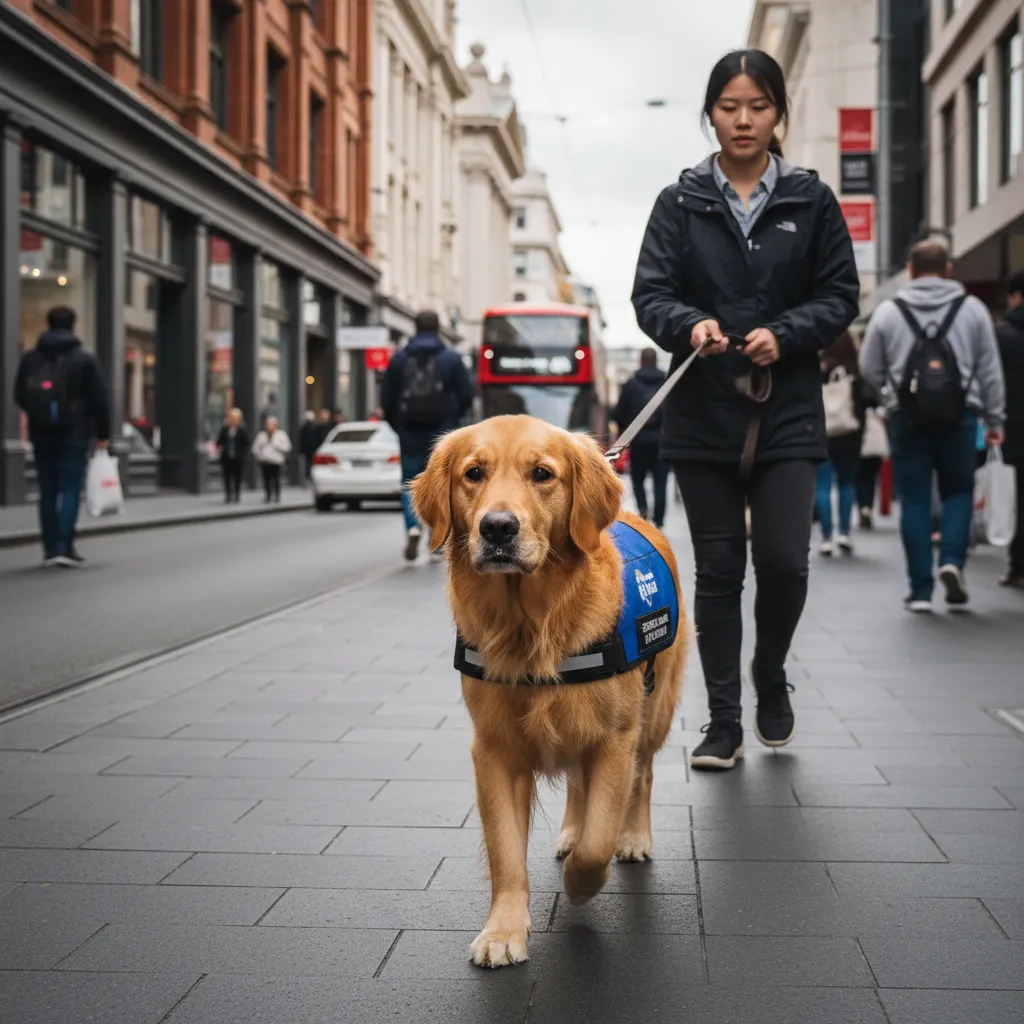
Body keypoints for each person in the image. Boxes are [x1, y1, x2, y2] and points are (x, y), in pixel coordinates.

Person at [631, 49, 859, 770]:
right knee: (719, 571)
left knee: (787, 563)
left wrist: (784, 335)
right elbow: (650, 294)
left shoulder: (812, 200)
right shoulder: (680, 201)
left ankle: (770, 672)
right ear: (711, 113)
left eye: (757, 106)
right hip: (701, 416)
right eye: (729, 106)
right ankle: (723, 721)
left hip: (786, 410)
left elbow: (839, 294)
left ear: (777, 113)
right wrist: (690, 325)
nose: (743, 120)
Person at [860, 240, 1005, 612]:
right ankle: (952, 561)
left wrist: (890, 400)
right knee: (958, 492)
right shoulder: (973, 310)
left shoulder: (889, 312)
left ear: (910, 269)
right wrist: (994, 418)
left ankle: (921, 591)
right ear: (948, 269)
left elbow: (869, 367)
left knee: (915, 500)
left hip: (908, 419)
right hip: (961, 417)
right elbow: (990, 370)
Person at [14, 305, 111, 567]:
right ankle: (64, 547)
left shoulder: (31, 358)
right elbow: (100, 399)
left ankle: (49, 548)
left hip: (41, 433)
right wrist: (102, 433)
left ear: (48, 324)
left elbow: (19, 394)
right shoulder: (84, 358)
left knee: (47, 489)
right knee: (69, 488)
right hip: (75, 433)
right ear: (73, 325)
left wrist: (39, 416)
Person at [381, 310, 474, 561]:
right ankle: (438, 535)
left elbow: (386, 398)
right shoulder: (451, 359)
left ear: (415, 327)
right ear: (438, 328)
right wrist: (455, 419)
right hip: (443, 432)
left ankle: (413, 526)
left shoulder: (399, 359)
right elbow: (467, 394)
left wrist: (398, 424)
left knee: (410, 481)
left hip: (409, 430)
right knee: (443, 481)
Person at [816, 331, 866, 557]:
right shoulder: (854, 372)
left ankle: (826, 537)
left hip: (822, 432)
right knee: (847, 483)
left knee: (822, 484)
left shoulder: (818, 371)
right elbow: (865, 401)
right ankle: (845, 532)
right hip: (849, 433)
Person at [613, 348, 670, 527]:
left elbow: (619, 413)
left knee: (638, 479)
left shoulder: (631, 384)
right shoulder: (667, 383)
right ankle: (659, 520)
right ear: (655, 361)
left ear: (641, 361)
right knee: (661, 482)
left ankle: (644, 512)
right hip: (663, 441)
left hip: (638, 441)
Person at [995, 270, 1024, 588]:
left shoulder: (1001, 333)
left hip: (1013, 428)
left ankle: (1019, 567)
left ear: (1015, 297)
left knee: (1016, 499)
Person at [252, 416, 292, 503]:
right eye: (268, 425)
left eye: (272, 425)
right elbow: (255, 448)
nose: (270, 427)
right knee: (266, 479)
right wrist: (259, 456)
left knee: (276, 479)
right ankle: (268, 495)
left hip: (276, 461)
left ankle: (277, 495)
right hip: (265, 461)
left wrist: (278, 446)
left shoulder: (281, 435)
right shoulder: (262, 436)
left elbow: (288, 447)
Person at [215, 407, 249, 503]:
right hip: (226, 457)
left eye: (235, 418)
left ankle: (237, 494)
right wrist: (220, 446)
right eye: (231, 417)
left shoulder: (242, 430)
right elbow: (219, 441)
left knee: (237, 477)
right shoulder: (225, 429)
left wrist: (241, 453)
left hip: (238, 458)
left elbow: (246, 443)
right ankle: (228, 495)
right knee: (227, 477)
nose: (233, 420)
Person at [297, 410, 320, 485]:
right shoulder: (304, 428)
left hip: (313, 449)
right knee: (307, 465)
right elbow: (301, 439)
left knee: (312, 465)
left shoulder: (315, 427)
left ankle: (311, 478)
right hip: (307, 450)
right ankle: (307, 478)